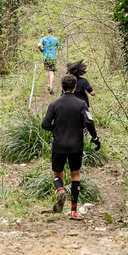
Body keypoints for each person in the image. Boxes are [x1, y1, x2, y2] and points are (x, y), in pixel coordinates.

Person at [41, 73, 100, 218]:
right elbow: (89, 122)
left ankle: (60, 190)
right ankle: (73, 210)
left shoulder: (54, 104)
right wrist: (95, 137)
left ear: (61, 86)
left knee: (57, 174)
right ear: (75, 87)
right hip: (76, 145)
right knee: (75, 175)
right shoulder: (81, 104)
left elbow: (44, 124)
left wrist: (56, 128)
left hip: (59, 145)